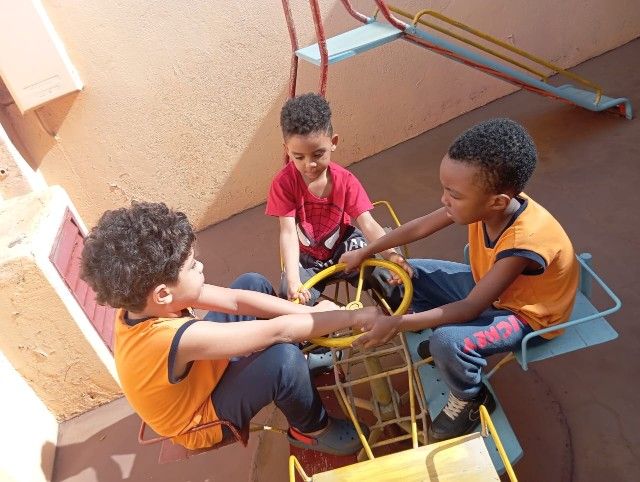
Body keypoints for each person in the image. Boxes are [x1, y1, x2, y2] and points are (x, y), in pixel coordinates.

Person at [80, 201, 394, 455]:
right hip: (200, 417)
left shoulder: (144, 300)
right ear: (163, 293)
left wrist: (309, 313)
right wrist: (350, 317)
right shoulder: (166, 339)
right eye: (192, 266)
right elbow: (278, 332)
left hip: (200, 373)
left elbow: (236, 299)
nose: (201, 266)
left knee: (251, 283)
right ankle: (311, 429)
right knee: (283, 360)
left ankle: (303, 365)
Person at [339, 118, 579, 442]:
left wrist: (397, 324)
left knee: (448, 341)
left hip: (527, 315)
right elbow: (420, 226)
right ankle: (442, 341)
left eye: (453, 194)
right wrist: (366, 251)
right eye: (444, 189)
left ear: (496, 201)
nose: (444, 200)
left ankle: (470, 398)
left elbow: (470, 307)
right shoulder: (488, 202)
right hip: (491, 288)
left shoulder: (524, 241)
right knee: (407, 274)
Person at [266, 93, 411, 308]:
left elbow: (368, 223)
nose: (309, 164)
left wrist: (391, 255)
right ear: (287, 150)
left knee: (385, 271)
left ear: (333, 143)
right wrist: (294, 279)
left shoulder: (346, 180)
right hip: (307, 258)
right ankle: (320, 329)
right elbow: (288, 232)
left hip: (345, 245)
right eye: (299, 157)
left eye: (318, 154)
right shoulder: (283, 183)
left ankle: (402, 315)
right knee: (291, 296)